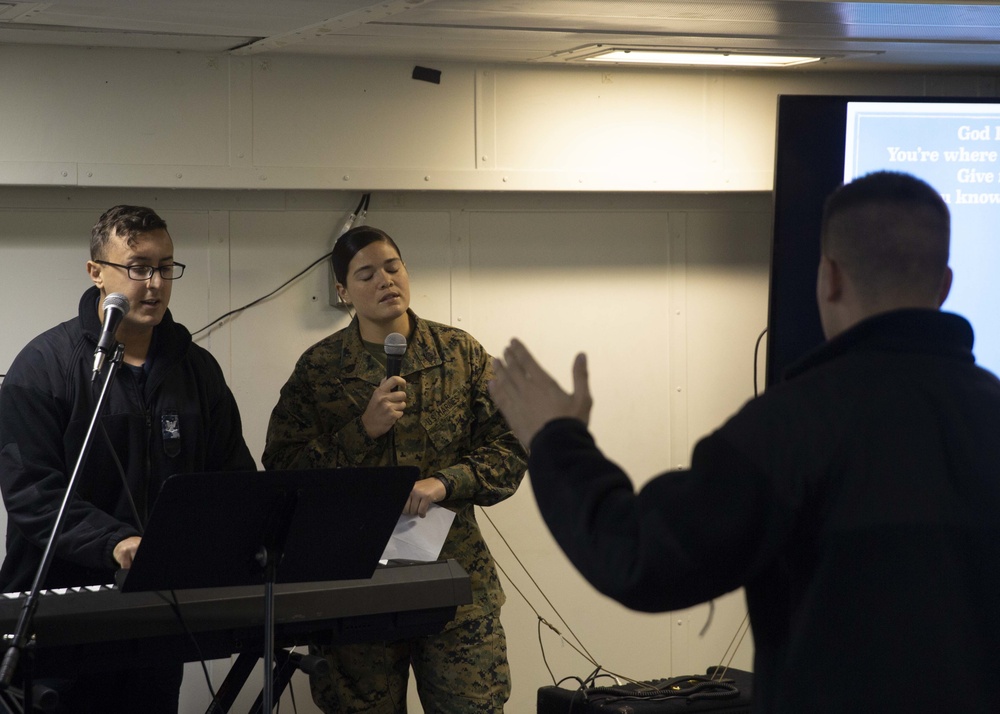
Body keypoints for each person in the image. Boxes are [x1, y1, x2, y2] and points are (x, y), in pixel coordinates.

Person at [487, 171, 1000, 713]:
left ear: (829, 278)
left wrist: (555, 438)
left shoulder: (789, 426)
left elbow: (639, 558)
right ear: (944, 285)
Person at [0, 205, 257, 713]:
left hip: (156, 613)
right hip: (58, 616)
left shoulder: (197, 370)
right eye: (138, 267)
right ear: (97, 272)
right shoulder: (44, 366)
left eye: (165, 267)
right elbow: (32, 494)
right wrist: (117, 542)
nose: (155, 283)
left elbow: (232, 478)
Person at [263, 225, 527, 713]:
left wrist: (447, 482)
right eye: (365, 274)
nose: (385, 281)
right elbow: (283, 471)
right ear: (342, 292)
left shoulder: (460, 353)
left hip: (453, 585)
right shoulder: (319, 370)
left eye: (392, 267)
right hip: (355, 587)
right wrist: (362, 430)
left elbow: (511, 447)